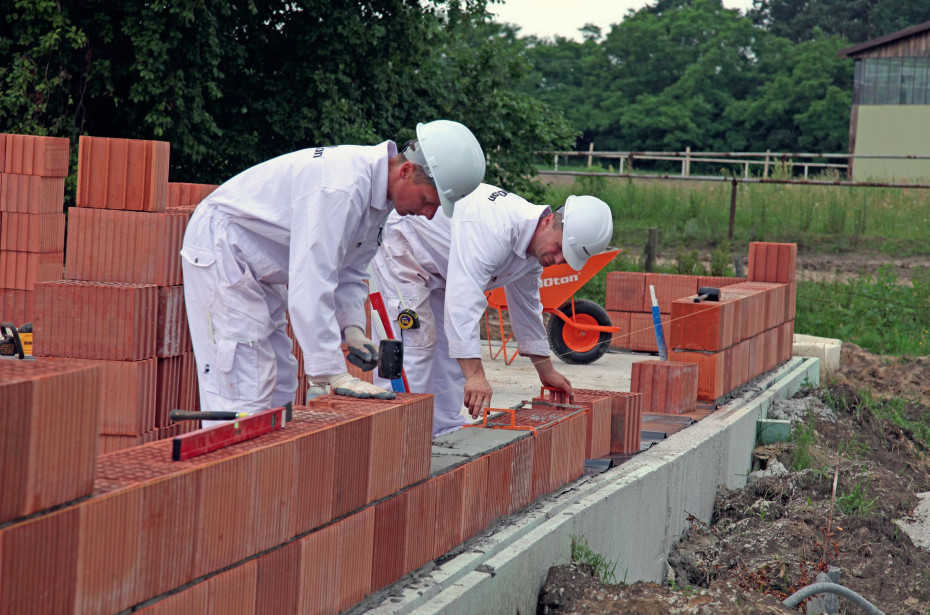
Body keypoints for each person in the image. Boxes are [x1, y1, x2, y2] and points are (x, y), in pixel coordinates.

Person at [180, 120, 486, 421]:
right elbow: (311, 278)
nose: (430, 214)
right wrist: (333, 372)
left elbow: (350, 270)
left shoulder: (377, 199)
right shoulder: (341, 188)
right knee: (244, 378)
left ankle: (264, 465)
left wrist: (352, 329)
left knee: (281, 379)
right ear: (407, 172)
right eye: (429, 201)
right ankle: (227, 464)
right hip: (226, 249)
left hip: (259, 263)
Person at [370, 183, 614, 436]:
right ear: (549, 221)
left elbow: (527, 307)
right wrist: (475, 376)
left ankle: (442, 433)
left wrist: (546, 370)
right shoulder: (494, 229)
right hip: (402, 252)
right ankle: (396, 438)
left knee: (451, 354)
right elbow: (463, 301)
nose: (559, 260)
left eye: (568, 257)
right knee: (416, 347)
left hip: (443, 270)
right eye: (561, 248)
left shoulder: (531, 248)